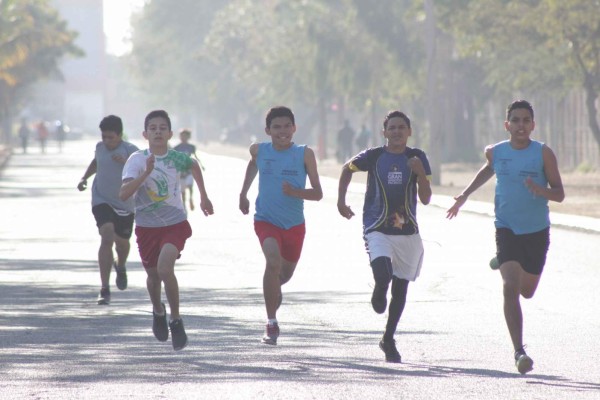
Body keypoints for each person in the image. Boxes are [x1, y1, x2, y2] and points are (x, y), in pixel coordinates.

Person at [446, 100, 564, 374]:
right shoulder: (496, 152)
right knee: (511, 287)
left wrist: (540, 190)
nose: (520, 125)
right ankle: (519, 351)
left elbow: (559, 193)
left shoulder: (544, 154)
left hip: (536, 231)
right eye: (515, 120)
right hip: (506, 227)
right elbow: (489, 169)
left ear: (533, 125)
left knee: (527, 291)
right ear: (506, 124)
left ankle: (503, 259)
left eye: (526, 120)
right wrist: (465, 195)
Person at [337, 110, 432, 363]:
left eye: (402, 127)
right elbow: (347, 169)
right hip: (376, 226)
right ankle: (379, 289)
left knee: (400, 291)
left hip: (407, 232)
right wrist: (340, 200)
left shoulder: (417, 157)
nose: (397, 131)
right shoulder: (373, 156)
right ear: (384, 132)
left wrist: (420, 172)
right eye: (392, 128)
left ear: (409, 131)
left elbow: (426, 198)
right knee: (383, 275)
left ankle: (388, 339)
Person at [120, 109, 214, 351]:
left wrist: (203, 196)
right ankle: (158, 310)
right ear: (145, 133)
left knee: (165, 268)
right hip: (146, 227)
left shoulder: (175, 158)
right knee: (153, 276)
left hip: (175, 224)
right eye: (153, 128)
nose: (158, 132)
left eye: (163, 128)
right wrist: (146, 174)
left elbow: (193, 165)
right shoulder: (137, 160)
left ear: (170, 133)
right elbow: (124, 194)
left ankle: (176, 319)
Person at [239, 106, 323, 345]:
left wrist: (295, 192)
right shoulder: (259, 150)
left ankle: (275, 287)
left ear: (294, 128)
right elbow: (253, 163)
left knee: (283, 274)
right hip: (265, 219)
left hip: (294, 224)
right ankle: (271, 323)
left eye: (287, 126)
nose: (282, 131)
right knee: (273, 262)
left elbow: (317, 193)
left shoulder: (305, 154)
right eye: (277, 127)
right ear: (268, 130)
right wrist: (243, 193)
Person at [77, 115, 139, 305]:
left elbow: (143, 170)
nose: (106, 141)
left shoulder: (132, 151)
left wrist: (126, 162)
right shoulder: (100, 147)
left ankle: (120, 266)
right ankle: (104, 288)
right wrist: (84, 178)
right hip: (101, 199)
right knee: (107, 235)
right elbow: (96, 162)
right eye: (104, 137)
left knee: (122, 243)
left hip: (125, 203)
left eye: (111, 137)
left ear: (120, 135)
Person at [173, 128, 204, 213]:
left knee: (190, 186)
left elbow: (195, 157)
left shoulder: (191, 147)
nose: (183, 137)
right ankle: (184, 205)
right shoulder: (176, 147)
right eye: (182, 136)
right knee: (182, 191)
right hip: (181, 173)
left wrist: (201, 165)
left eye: (185, 136)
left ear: (188, 137)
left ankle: (190, 199)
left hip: (189, 171)